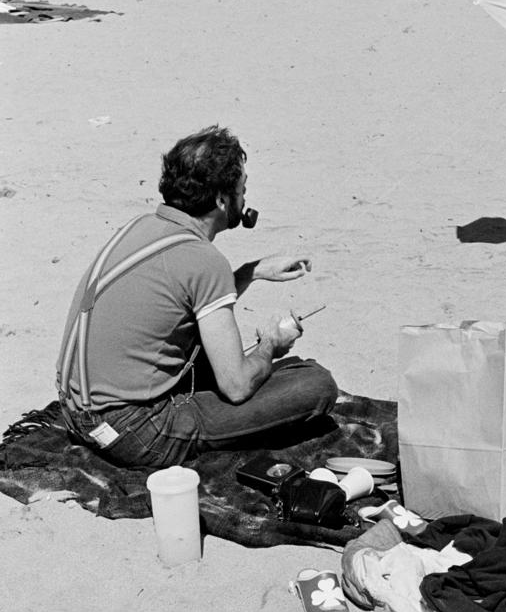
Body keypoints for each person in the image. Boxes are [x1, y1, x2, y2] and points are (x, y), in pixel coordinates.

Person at [55, 126, 337, 468]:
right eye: (241, 190)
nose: (244, 199)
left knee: (257, 365)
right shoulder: (204, 260)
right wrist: (270, 345)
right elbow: (236, 387)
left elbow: (181, 300)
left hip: (76, 413)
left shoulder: (141, 227)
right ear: (221, 200)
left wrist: (251, 271)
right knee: (314, 383)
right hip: (134, 432)